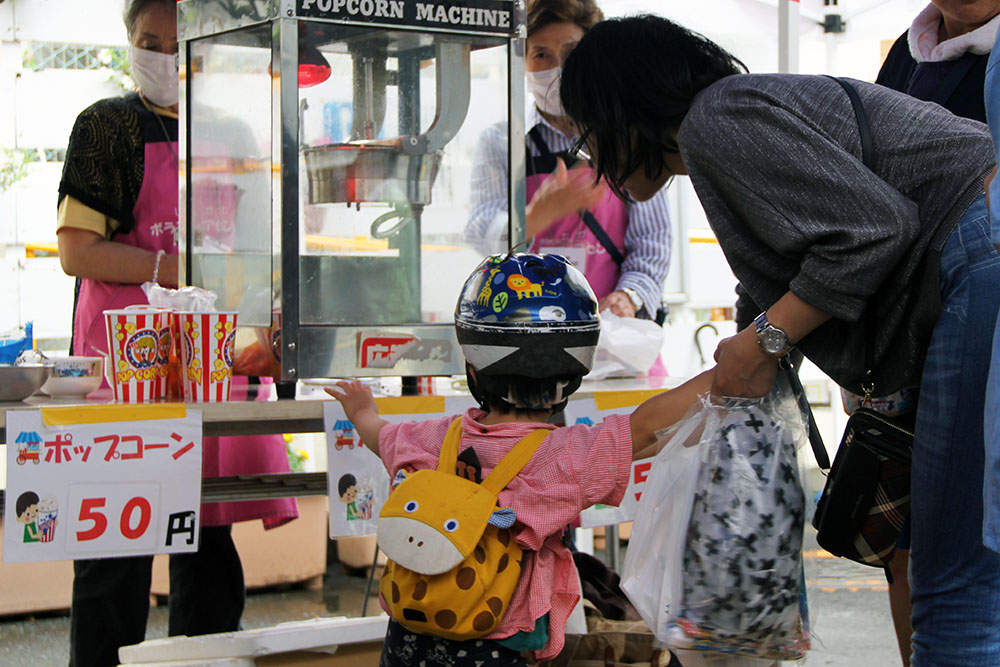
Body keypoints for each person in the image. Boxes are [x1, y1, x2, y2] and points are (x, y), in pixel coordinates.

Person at [559, 14, 1000, 666]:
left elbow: (872, 229)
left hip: (977, 258)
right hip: (970, 263)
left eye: (589, 132)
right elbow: (778, 278)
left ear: (626, 106)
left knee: (953, 579)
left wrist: (765, 341)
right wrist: (751, 343)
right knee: (943, 561)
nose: (591, 157)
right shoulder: (726, 130)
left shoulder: (717, 121)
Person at [55, 2, 297, 665]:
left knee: (209, 547)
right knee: (114, 555)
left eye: (177, 41)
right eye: (149, 42)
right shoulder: (105, 127)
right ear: (128, 44)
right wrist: (175, 265)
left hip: (211, 362)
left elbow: (255, 250)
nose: (164, 55)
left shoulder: (232, 128)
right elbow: (78, 251)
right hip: (123, 366)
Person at [327, 252, 714, 665]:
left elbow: (378, 435)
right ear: (572, 376)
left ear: (474, 371)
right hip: (497, 646)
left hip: (409, 638)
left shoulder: (431, 438)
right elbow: (645, 429)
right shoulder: (563, 458)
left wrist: (361, 410)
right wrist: (727, 373)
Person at [865, 3, 1000, 663]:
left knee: (964, 581)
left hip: (977, 341)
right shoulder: (907, 54)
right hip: (905, 344)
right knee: (908, 550)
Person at [465, 0, 672, 338]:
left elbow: (652, 240)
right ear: (522, 62)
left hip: (616, 339)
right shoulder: (502, 142)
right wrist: (538, 214)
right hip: (527, 336)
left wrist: (629, 296)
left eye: (573, 52)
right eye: (541, 54)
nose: (558, 67)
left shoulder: (628, 135)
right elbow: (479, 232)